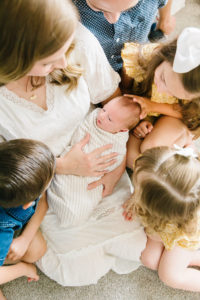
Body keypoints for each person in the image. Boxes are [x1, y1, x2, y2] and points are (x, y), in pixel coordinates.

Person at [0, 0, 147, 287]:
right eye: (48, 61)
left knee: (139, 239)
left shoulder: (77, 40)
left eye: (64, 51)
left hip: (101, 153)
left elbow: (113, 102)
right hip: (42, 182)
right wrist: (63, 166)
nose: (65, 64)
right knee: (76, 270)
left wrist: (116, 169)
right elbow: (7, 170)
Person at [48, 96, 141, 227]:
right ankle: (58, 197)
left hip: (92, 175)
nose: (102, 117)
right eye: (104, 110)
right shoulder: (93, 118)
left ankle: (71, 210)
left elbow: (114, 160)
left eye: (109, 119)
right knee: (65, 185)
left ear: (122, 130)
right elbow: (80, 132)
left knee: (82, 205)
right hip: (74, 157)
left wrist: (106, 168)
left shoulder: (118, 142)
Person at [123, 145, 200, 292]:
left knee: (169, 276)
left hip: (182, 239)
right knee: (149, 260)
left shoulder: (185, 219)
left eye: (138, 188)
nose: (134, 186)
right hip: (165, 228)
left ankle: (193, 258)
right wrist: (135, 198)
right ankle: (190, 259)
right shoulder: (162, 165)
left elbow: (156, 235)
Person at [121, 27, 200, 167]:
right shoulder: (141, 59)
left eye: (174, 93)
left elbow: (185, 113)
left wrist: (152, 106)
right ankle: (181, 149)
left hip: (173, 116)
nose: (162, 90)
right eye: (163, 78)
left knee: (151, 150)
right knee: (135, 161)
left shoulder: (194, 92)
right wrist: (137, 123)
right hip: (142, 116)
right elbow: (125, 92)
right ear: (166, 54)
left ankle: (186, 141)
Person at [0, 139, 55, 300]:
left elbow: (42, 203)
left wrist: (25, 239)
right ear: (28, 203)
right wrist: (23, 269)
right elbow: (43, 200)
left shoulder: (8, 169)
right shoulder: (2, 235)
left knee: (36, 249)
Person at [72, 0, 175, 72]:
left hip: (139, 58)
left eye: (127, 9)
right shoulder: (67, 6)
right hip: (96, 70)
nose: (114, 20)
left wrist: (165, 19)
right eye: (99, 9)